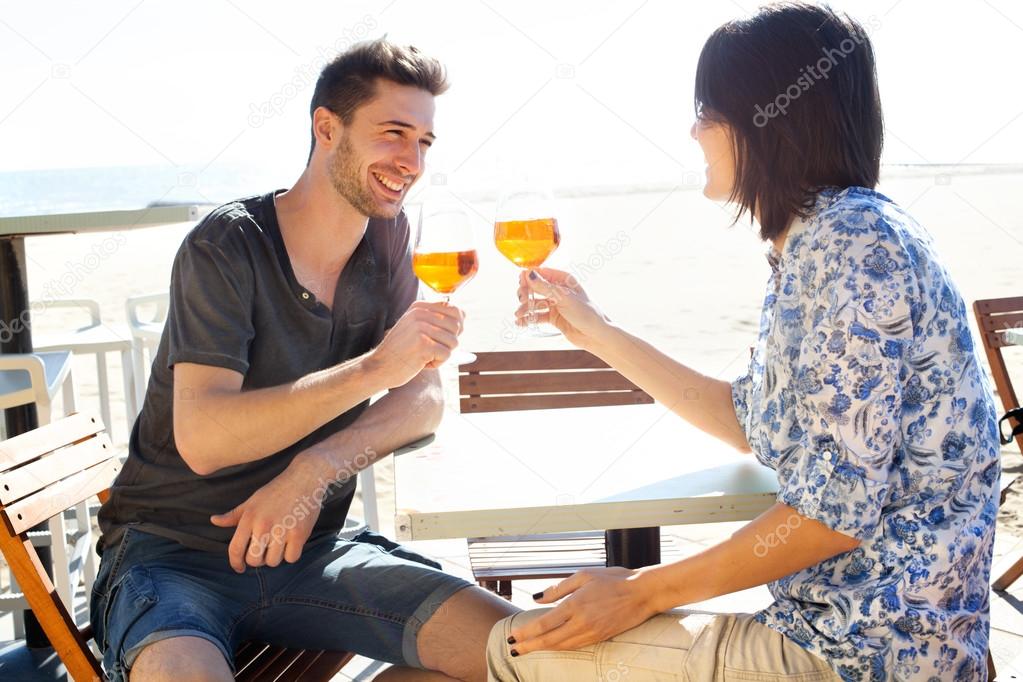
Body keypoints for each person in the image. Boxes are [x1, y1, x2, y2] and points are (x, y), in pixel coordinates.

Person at [486, 4, 999, 681]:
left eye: (706, 108)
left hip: (859, 657)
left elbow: (833, 513)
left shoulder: (848, 245)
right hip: (850, 634)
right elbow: (748, 422)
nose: (692, 128)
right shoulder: (827, 239)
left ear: (767, 120)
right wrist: (594, 330)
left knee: (504, 648)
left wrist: (641, 590)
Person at [92, 39, 517, 682]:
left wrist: (316, 468)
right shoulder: (227, 245)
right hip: (171, 556)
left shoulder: (391, 236)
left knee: (521, 654)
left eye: (425, 142)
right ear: (327, 128)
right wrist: (375, 368)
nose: (411, 161)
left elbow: (426, 398)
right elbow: (204, 438)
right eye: (394, 133)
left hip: (314, 551)